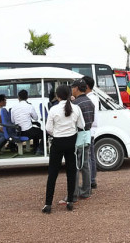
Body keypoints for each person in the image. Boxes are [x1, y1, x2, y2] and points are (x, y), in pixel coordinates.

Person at [42, 85, 85, 214]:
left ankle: (48, 204)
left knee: (53, 173)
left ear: (57, 96)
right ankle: (70, 201)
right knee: (71, 172)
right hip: (71, 141)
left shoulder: (53, 109)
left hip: (57, 142)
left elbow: (48, 128)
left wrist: (56, 132)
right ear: (69, 94)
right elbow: (81, 125)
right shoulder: (76, 108)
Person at [59, 78, 95, 204]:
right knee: (85, 165)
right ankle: (86, 191)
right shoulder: (90, 102)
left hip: (76, 137)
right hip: (87, 135)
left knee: (73, 166)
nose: (71, 90)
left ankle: (72, 195)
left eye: (72, 87)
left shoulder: (75, 104)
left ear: (77, 88)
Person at [12, 90, 44, 155]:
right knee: (44, 133)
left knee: (36, 131)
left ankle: (36, 149)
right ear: (27, 97)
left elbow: (13, 121)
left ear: (18, 97)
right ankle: (39, 149)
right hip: (28, 131)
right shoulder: (29, 106)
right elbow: (36, 118)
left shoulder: (13, 108)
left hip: (18, 132)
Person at [83, 76, 99, 190]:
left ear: (87, 86)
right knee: (91, 156)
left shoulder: (89, 99)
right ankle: (92, 180)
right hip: (92, 130)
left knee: (88, 157)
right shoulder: (94, 97)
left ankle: (89, 181)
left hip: (89, 129)